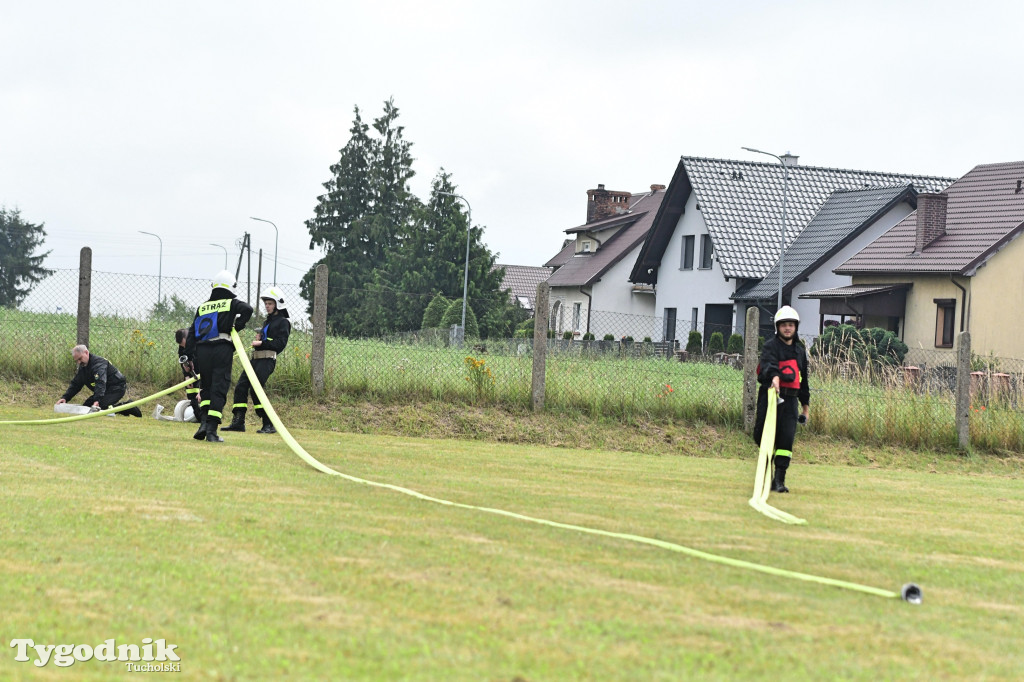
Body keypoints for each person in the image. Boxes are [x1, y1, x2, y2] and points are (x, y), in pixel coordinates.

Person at [185, 270, 253, 443]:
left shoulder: (202, 307)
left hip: (202, 350)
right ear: (231, 286)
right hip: (221, 348)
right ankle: (212, 431)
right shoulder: (230, 302)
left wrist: (189, 357)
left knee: (206, 387)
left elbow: (192, 333)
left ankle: (203, 424)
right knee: (219, 387)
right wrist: (237, 326)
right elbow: (248, 309)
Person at [753, 306, 810, 493]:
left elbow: (804, 381)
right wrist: (775, 377)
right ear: (778, 327)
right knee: (762, 436)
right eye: (784, 325)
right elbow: (768, 364)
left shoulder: (800, 351)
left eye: (791, 325)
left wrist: (805, 408)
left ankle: (778, 480)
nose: (788, 328)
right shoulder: (770, 346)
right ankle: (766, 472)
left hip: (791, 402)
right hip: (770, 399)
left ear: (796, 327)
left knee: (786, 441)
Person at [223, 287, 291, 435]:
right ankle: (238, 422)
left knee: (256, 390)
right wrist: (260, 340)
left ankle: (268, 423)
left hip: (267, 360)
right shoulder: (268, 322)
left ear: (278, 304)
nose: (267, 306)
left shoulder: (283, 322)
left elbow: (280, 344)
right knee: (241, 387)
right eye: (266, 303)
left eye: (270, 303)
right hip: (255, 360)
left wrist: (263, 344)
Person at [57, 345, 143, 417]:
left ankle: (127, 407)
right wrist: (65, 398)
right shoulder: (83, 368)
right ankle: (119, 408)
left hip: (117, 387)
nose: (79, 362)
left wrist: (97, 400)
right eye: (77, 361)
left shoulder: (99, 364)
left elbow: (100, 382)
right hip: (105, 390)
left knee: (100, 407)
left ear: (86, 353)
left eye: (80, 359)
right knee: (86, 407)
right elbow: (76, 384)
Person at [175, 328, 201, 420]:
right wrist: (186, 376)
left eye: (184, 345)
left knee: (202, 396)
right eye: (181, 346)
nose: (183, 348)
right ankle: (197, 415)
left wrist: (201, 389)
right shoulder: (182, 347)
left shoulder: (200, 344)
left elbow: (207, 367)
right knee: (191, 395)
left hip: (203, 373)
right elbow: (182, 360)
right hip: (191, 374)